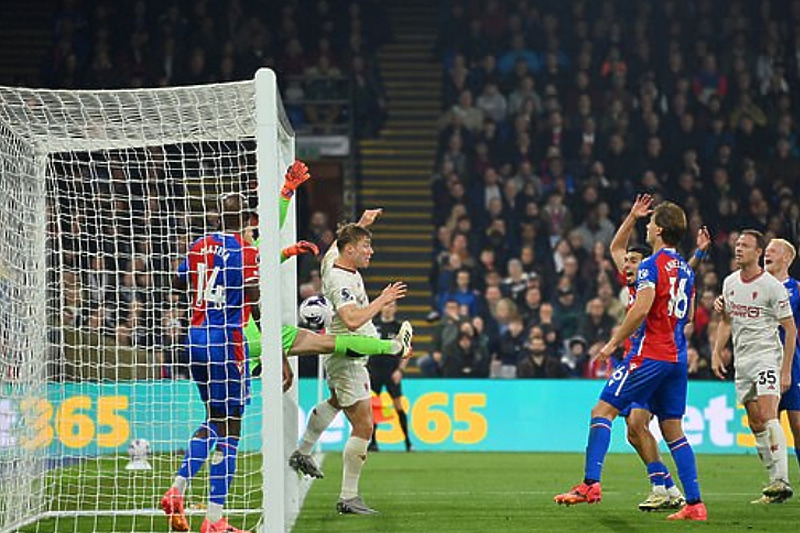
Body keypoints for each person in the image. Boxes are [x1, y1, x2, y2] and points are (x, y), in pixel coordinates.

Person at [554, 201, 707, 522]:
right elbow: (689, 315)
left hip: (648, 354)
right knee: (671, 431)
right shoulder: (687, 269)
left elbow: (640, 309)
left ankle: (590, 484)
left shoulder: (650, 266)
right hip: (676, 358)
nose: (647, 227)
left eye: (651, 223)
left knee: (602, 411)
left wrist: (611, 343)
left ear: (660, 230)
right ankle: (692, 502)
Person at [161, 192, 286, 533]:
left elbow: (176, 281)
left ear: (219, 216)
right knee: (231, 426)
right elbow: (253, 297)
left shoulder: (201, 243)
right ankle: (214, 520)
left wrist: (205, 286)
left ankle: (178, 489)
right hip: (227, 343)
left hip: (195, 338)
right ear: (247, 219)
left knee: (214, 419)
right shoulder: (246, 252)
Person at [289, 208, 411, 515]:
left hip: (351, 353)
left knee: (336, 401)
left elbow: (335, 246)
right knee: (364, 427)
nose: (371, 251)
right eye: (366, 246)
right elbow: (352, 319)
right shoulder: (339, 279)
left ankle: (303, 452)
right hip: (348, 355)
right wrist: (382, 300)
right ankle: (348, 497)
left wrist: (362, 224)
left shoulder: (335, 258)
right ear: (350, 250)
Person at [244, 161, 413, 372]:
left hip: (233, 337)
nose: (253, 231)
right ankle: (393, 347)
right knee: (330, 342)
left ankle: (393, 347)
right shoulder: (338, 277)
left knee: (326, 358)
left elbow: (263, 259)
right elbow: (271, 228)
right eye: (250, 229)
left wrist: (289, 252)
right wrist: (287, 191)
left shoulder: (235, 252)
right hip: (254, 333)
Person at [607, 194, 710, 511]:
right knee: (634, 432)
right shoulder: (638, 278)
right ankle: (670, 488)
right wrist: (633, 217)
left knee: (637, 424)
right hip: (643, 357)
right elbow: (616, 249)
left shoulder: (650, 276)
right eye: (627, 263)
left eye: (633, 261)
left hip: (653, 357)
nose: (627, 265)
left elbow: (672, 275)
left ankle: (663, 487)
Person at [712, 230, 797, 503]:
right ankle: (774, 483)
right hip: (743, 361)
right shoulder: (729, 283)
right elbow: (726, 320)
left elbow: (791, 329)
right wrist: (716, 351)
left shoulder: (773, 286)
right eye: (737, 244)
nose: (738, 249)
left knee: (769, 413)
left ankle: (783, 479)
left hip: (767, 357)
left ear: (757, 252)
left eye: (745, 246)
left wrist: (785, 370)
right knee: (755, 421)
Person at [368, 301, 413, 452]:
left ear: (395, 308)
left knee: (397, 405)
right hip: (374, 370)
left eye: (391, 306)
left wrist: (400, 370)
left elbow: (407, 351)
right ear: (381, 307)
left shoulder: (399, 328)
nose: (388, 308)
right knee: (373, 406)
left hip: (391, 371)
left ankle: (407, 442)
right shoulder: (372, 326)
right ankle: (373, 442)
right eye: (386, 305)